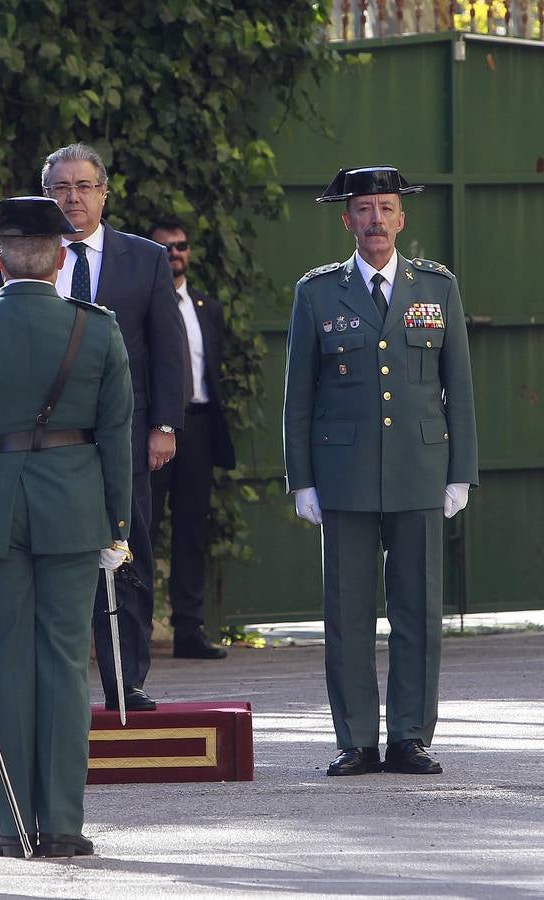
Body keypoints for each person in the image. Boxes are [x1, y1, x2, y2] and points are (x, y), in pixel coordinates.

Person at [0, 196, 134, 858]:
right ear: (63, 258)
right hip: (73, 508)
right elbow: (118, 434)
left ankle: (12, 825)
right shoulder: (97, 329)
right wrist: (116, 526)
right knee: (65, 664)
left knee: (3, 664)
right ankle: (62, 822)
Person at [282, 165, 477, 777]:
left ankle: (411, 736)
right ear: (347, 220)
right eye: (363, 209)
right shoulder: (317, 292)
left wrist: (461, 472)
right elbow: (300, 393)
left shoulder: (437, 288)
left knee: (419, 608)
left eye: (386, 208)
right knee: (347, 611)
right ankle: (357, 739)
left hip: (421, 467)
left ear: (402, 217)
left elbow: (459, 389)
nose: (376, 220)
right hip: (344, 473)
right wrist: (302, 478)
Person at [0, 143, 184, 712]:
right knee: (47, 554)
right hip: (42, 439)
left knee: (127, 550)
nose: (72, 198)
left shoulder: (145, 258)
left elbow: (166, 347)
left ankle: (125, 679)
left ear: (104, 193)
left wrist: (165, 426)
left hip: (122, 436)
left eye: (83, 187)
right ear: (45, 195)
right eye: (60, 188)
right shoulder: (22, 256)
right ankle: (51, 680)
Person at [147, 217, 236, 660]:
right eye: (165, 247)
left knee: (191, 531)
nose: (174, 254)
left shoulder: (207, 307)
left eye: (180, 246)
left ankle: (189, 629)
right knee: (143, 528)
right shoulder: (141, 304)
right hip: (154, 426)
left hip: (198, 425)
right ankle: (133, 630)